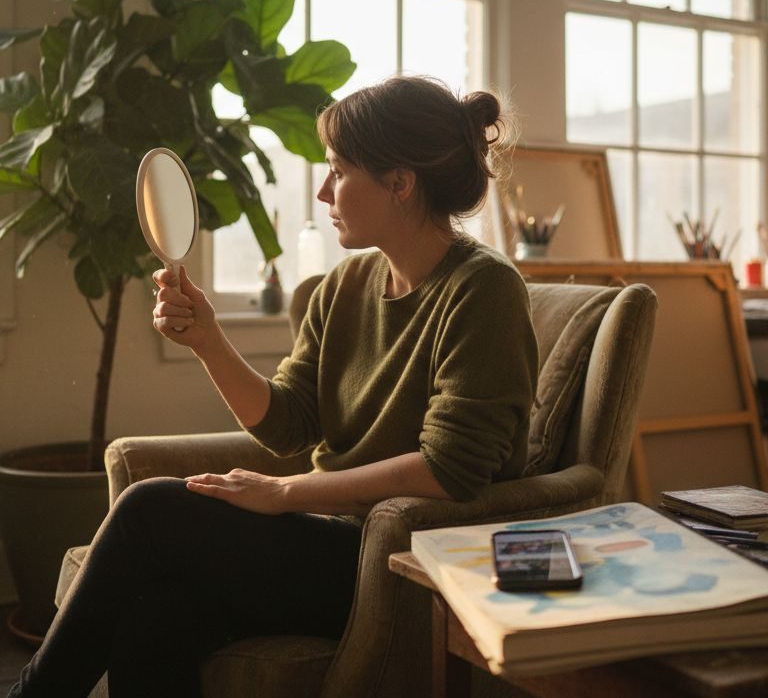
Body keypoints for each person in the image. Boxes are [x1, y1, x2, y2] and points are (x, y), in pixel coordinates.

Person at [8, 75, 538, 698]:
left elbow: (452, 470)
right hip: (334, 545)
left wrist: (286, 492)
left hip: (408, 559)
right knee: (157, 616)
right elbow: (288, 422)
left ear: (400, 183)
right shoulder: (344, 287)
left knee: (149, 509)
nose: (321, 190)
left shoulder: (484, 289)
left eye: (338, 171)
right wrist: (208, 339)